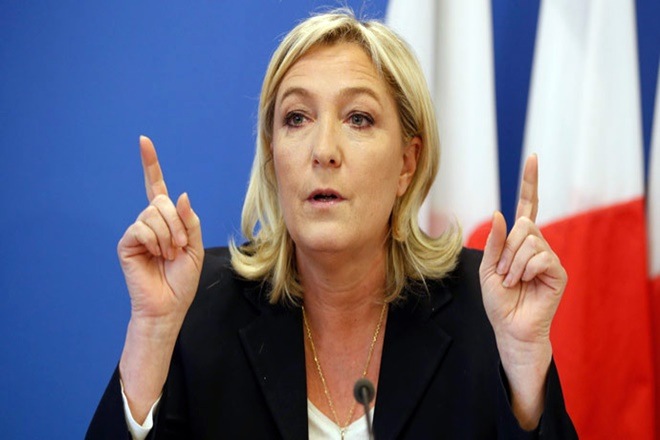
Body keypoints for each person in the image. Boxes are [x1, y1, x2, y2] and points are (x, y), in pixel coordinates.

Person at [87, 9, 577, 439]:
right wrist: (152, 332)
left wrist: (523, 362)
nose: (323, 151)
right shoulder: (198, 304)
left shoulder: (485, 308)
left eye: (358, 118)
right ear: (272, 158)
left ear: (407, 164)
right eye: (297, 118)